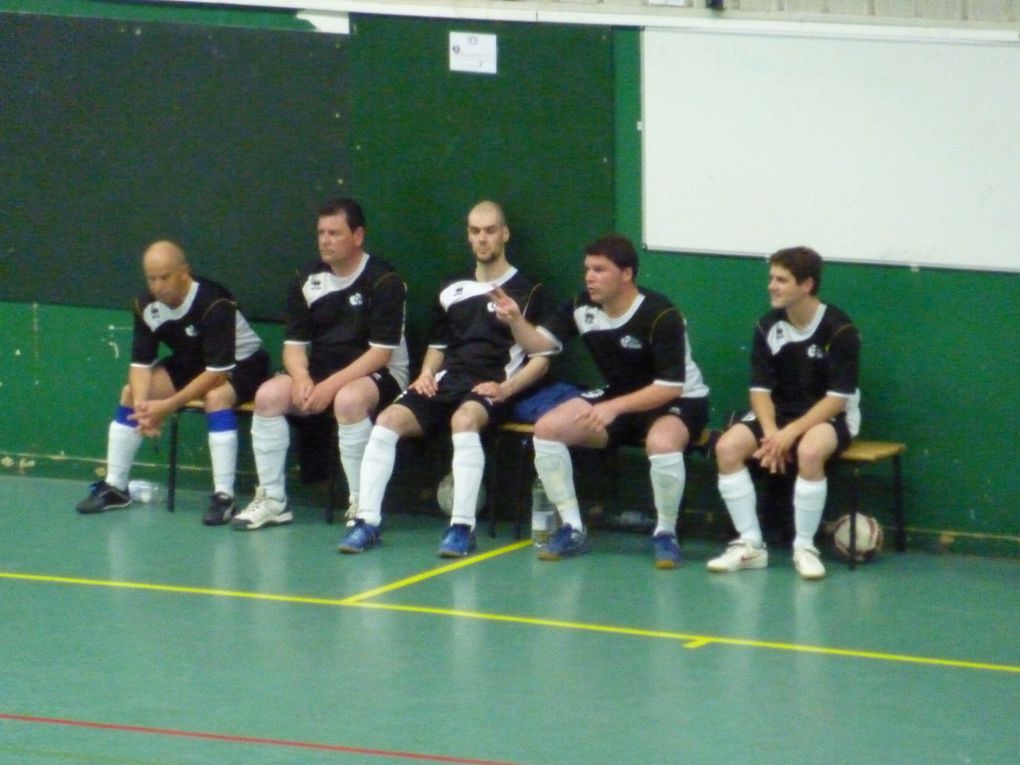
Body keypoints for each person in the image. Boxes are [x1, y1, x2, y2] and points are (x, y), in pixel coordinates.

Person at [338, 200, 549, 557]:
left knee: (464, 419)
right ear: (468, 236)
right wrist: (424, 375)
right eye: (475, 231)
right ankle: (366, 522)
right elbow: (438, 346)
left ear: (505, 234)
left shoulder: (529, 290)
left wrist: (506, 387)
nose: (483, 239)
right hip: (449, 380)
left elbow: (541, 357)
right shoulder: (451, 287)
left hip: (494, 385)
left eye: (490, 230)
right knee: (387, 420)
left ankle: (461, 529)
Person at [492, 234, 710, 568]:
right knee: (548, 428)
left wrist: (612, 407)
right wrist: (516, 321)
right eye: (587, 270)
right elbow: (539, 345)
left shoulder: (660, 314)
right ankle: (573, 529)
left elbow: (669, 386)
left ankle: (666, 533)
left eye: (600, 270)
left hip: (679, 400)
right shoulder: (582, 307)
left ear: (627, 274)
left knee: (662, 443)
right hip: (620, 397)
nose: (589, 277)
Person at [230, 197, 409, 530]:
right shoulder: (306, 277)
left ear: (357, 236)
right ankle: (272, 499)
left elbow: (380, 354)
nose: (325, 240)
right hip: (322, 369)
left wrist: (328, 387)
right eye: (321, 232)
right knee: (268, 396)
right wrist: (300, 377)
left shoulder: (384, 281)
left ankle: (362, 503)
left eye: (334, 233)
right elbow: (294, 346)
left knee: (348, 399)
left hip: (379, 373)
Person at [75, 240, 271, 524]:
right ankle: (116, 488)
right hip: (192, 361)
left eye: (164, 277)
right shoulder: (145, 305)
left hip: (243, 363)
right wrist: (144, 409)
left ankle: (224, 498)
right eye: (151, 279)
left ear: (184, 272)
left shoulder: (214, 302)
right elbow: (140, 366)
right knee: (131, 393)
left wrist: (165, 407)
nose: (157, 286)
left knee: (216, 398)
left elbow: (216, 373)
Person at [706, 246, 861, 581]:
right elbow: (759, 391)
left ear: (806, 285)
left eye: (782, 280)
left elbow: (836, 399)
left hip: (828, 414)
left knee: (808, 451)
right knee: (727, 447)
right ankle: (750, 545)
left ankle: (804, 547)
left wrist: (790, 434)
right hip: (780, 413)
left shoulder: (839, 329)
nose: (772, 286)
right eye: (771, 278)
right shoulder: (767, 325)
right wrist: (772, 431)